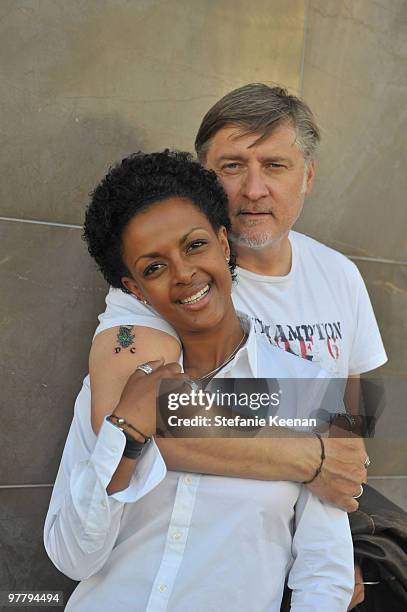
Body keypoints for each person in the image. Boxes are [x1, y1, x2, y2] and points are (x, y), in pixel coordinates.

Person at [83, 85, 387, 608]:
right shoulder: (163, 286)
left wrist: (340, 539)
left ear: (307, 176)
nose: (253, 190)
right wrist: (312, 455)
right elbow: (136, 423)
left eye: (274, 165)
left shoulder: (340, 276)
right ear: (205, 178)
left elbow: (350, 435)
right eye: (231, 166)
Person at [44, 151, 354, 611]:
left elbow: (325, 572)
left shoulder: (307, 385)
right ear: (135, 289)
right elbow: (73, 558)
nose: (184, 274)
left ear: (224, 244)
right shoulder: (116, 383)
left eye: (194, 245)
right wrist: (126, 432)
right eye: (154, 267)